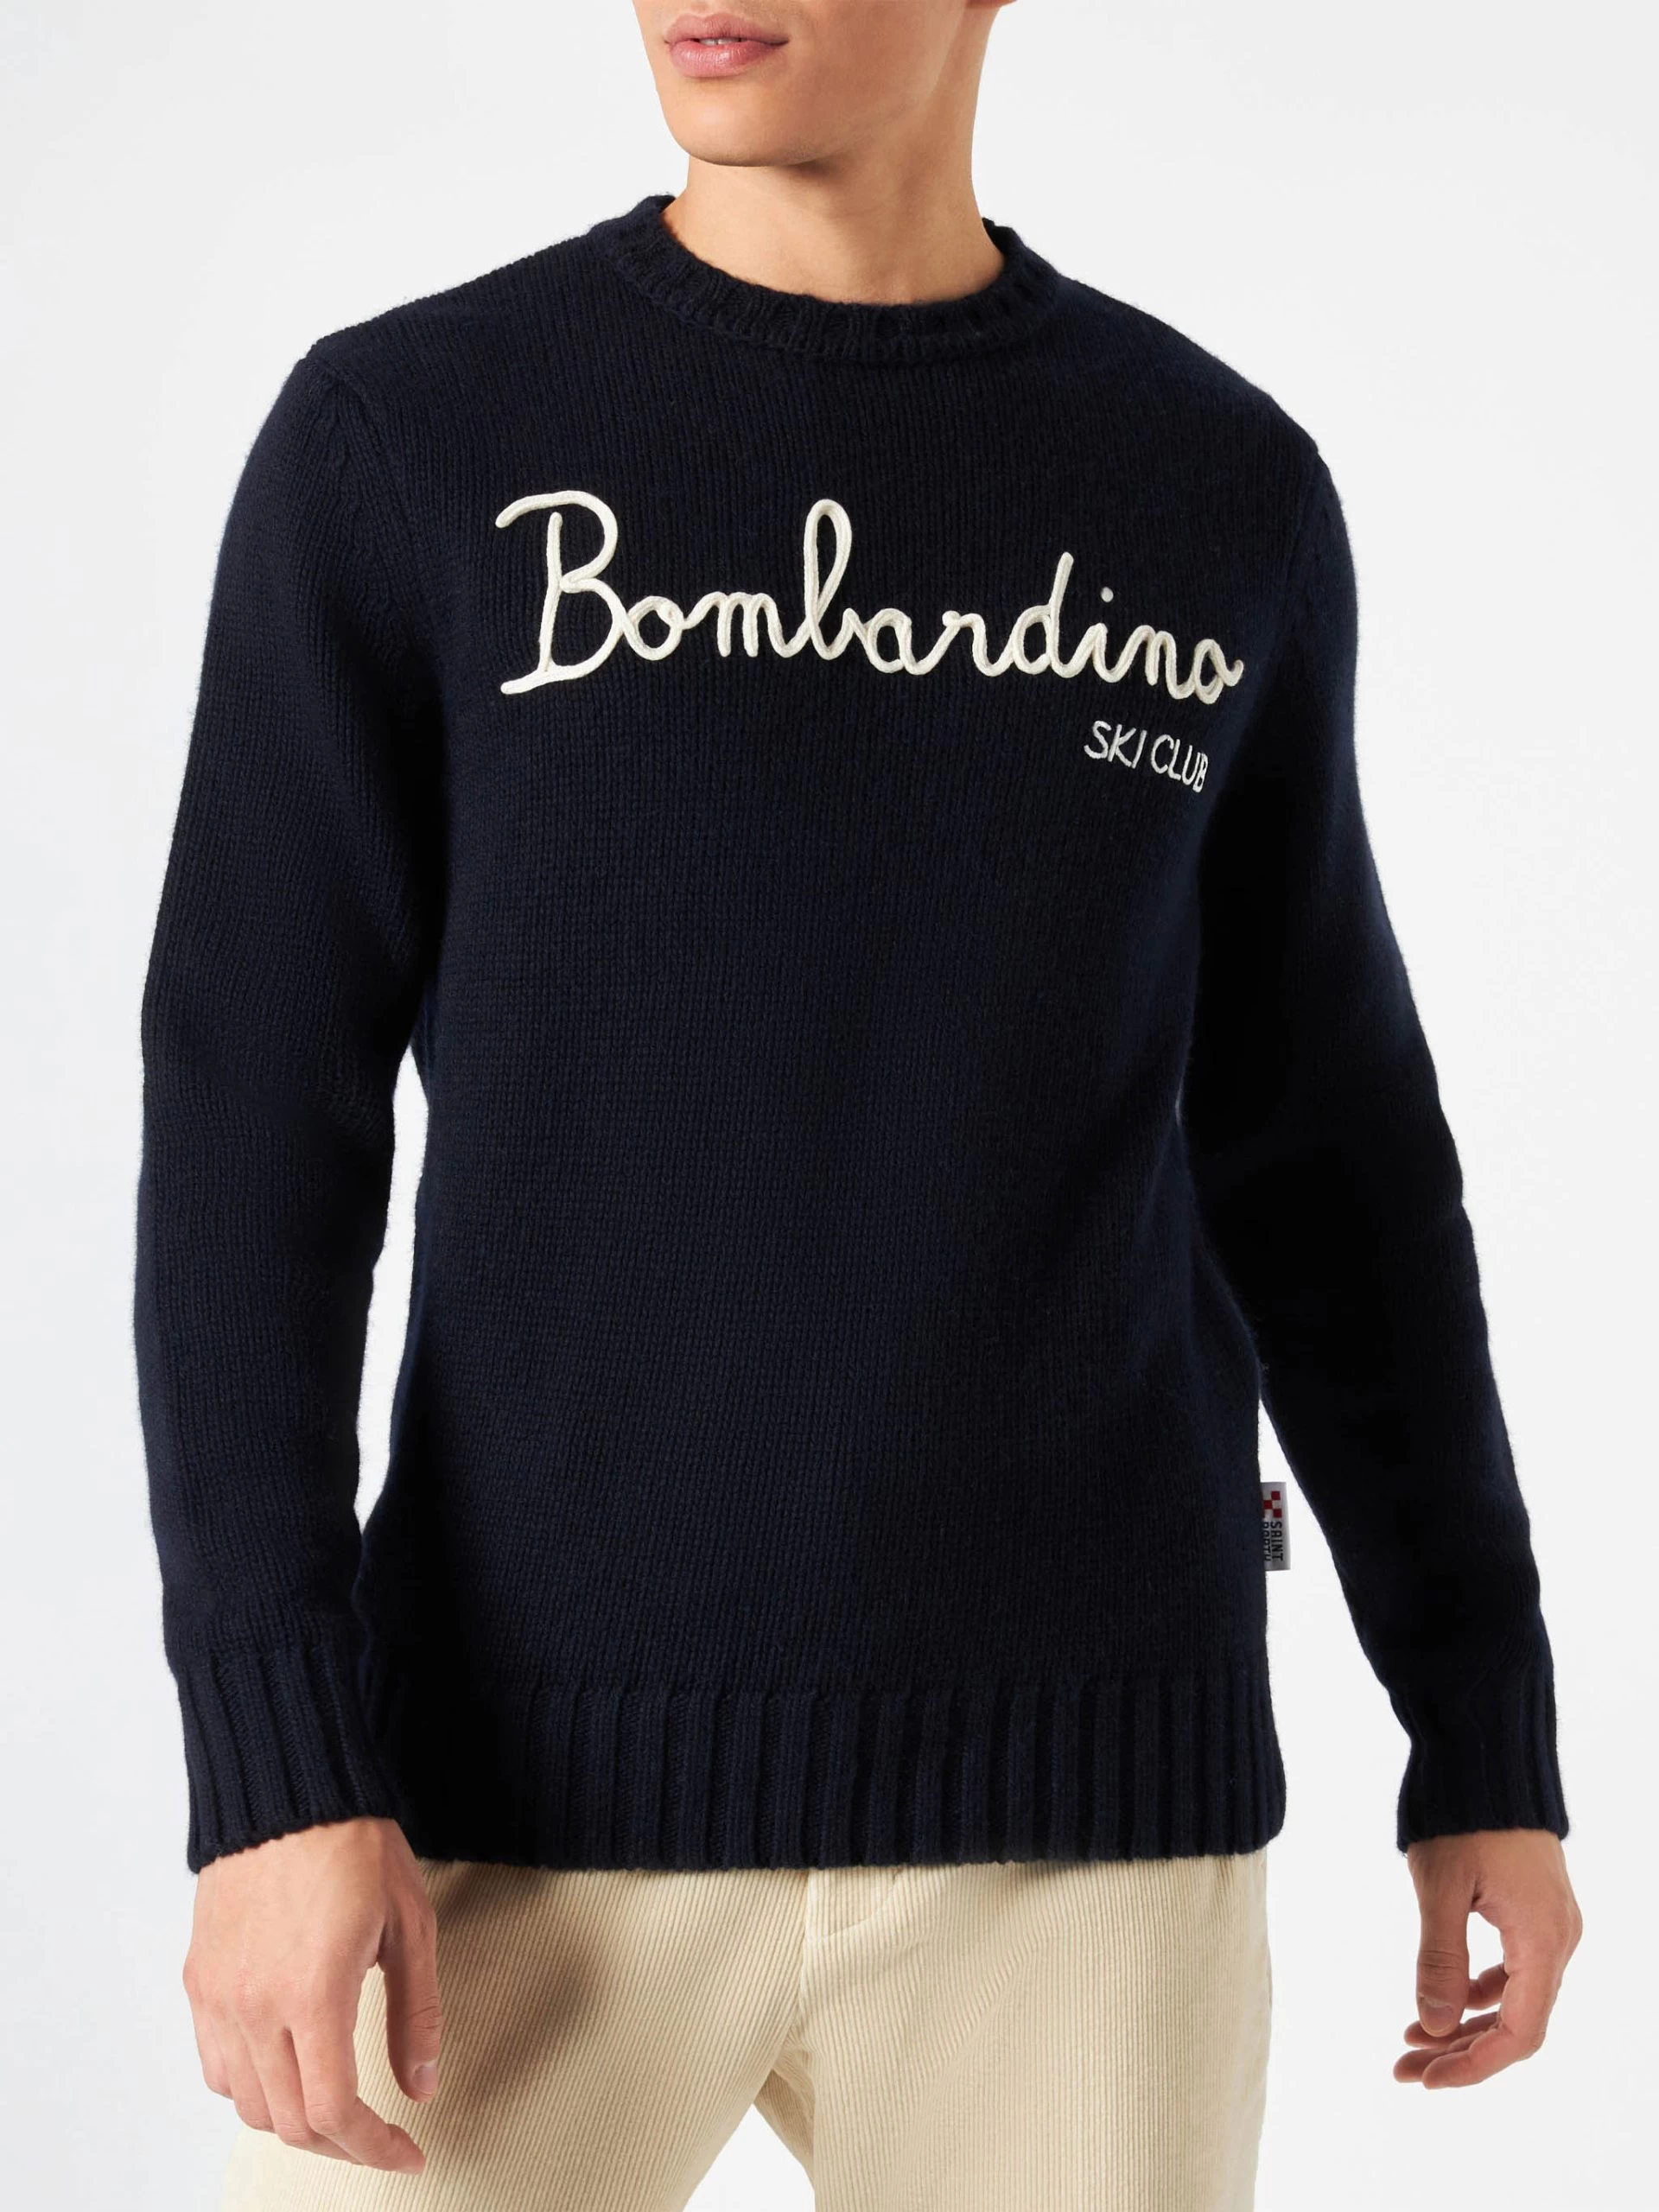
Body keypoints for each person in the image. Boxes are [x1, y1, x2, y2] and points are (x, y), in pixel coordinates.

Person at [133, 4, 1581, 2208]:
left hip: (1084, 1825)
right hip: (499, 1806)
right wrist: (271, 1768)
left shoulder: (1213, 490)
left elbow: (1333, 1155)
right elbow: (254, 1135)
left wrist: (1482, 1724)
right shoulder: (411, 439)